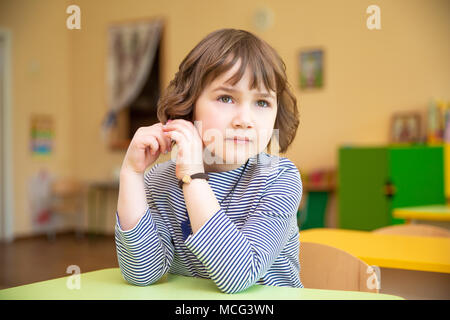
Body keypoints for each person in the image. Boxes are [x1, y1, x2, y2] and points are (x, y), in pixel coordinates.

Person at [115, 28, 302, 294]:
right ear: (189, 106)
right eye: (226, 98)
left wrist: (193, 175)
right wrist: (132, 175)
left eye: (262, 102)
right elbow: (142, 273)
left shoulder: (279, 178)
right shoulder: (159, 181)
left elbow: (238, 275)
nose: (245, 120)